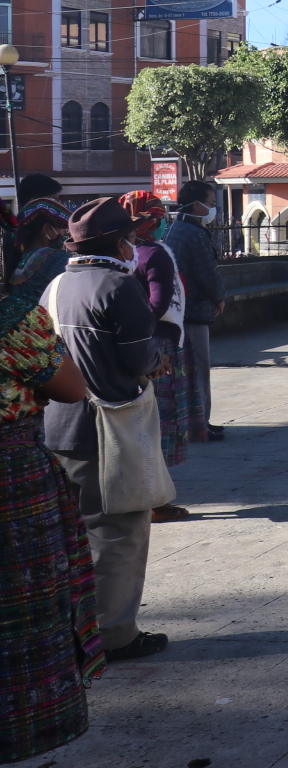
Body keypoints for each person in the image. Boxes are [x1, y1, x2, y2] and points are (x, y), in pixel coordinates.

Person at [41, 198, 167, 662]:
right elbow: (139, 357)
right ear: (119, 242)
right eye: (131, 238)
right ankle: (114, 635)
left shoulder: (54, 286)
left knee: (79, 536)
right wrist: (158, 359)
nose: (134, 245)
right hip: (108, 425)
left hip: (58, 427)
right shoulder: (119, 286)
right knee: (119, 532)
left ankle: (79, 629)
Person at [0, 265, 103, 761]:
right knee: (25, 597)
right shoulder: (13, 319)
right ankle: (31, 725)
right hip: (11, 479)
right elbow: (70, 387)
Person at [119, 192, 194, 522]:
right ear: (148, 220)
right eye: (159, 216)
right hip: (156, 345)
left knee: (139, 424)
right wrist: (143, 339)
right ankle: (155, 501)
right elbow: (159, 302)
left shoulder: (125, 252)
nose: (164, 222)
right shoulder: (154, 253)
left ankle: (148, 496)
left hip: (130, 344)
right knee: (157, 424)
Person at [163, 180, 224, 441]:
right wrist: (219, 298)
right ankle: (202, 423)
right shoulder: (195, 233)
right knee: (199, 368)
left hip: (179, 310)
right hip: (195, 309)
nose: (212, 208)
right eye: (210, 203)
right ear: (197, 204)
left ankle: (191, 421)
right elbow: (207, 273)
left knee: (185, 370)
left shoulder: (176, 228)